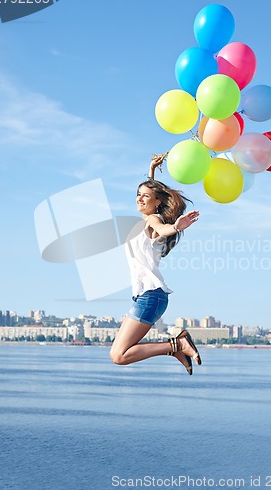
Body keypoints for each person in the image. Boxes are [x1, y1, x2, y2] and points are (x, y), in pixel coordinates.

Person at [110, 155, 202, 375]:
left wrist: (176, 227)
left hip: (151, 296)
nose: (140, 199)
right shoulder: (147, 218)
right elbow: (152, 196)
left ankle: (178, 346)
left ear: (157, 202)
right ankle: (176, 347)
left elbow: (162, 229)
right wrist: (151, 170)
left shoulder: (154, 221)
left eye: (145, 197)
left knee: (119, 356)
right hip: (147, 296)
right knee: (118, 354)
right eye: (138, 195)